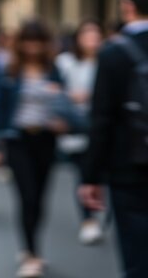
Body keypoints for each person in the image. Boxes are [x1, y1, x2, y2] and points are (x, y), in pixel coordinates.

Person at [0, 21, 68, 278]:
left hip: (45, 139)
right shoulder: (10, 70)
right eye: (28, 41)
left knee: (40, 199)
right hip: (17, 139)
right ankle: (31, 254)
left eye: (37, 42)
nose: (32, 47)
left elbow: (65, 105)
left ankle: (32, 244)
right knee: (27, 196)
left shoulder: (54, 70)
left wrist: (63, 121)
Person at [80, 0, 148, 278]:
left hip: (128, 167)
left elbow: (101, 119)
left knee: (136, 256)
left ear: (127, 7)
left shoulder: (112, 54)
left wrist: (91, 176)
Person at [56, 20, 104, 245]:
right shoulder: (65, 62)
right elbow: (55, 90)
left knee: (98, 174)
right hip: (76, 127)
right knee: (84, 174)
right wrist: (70, 97)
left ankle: (96, 214)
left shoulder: (108, 61)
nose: (92, 39)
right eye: (87, 34)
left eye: (96, 34)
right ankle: (89, 220)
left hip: (102, 127)